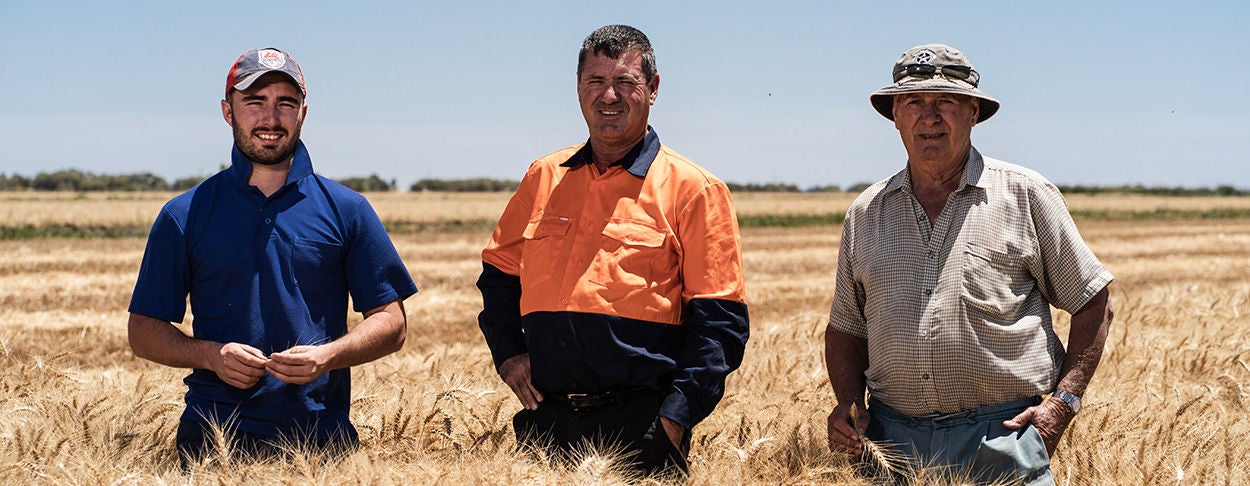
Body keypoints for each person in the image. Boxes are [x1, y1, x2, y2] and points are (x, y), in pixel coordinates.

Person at [824, 44, 1115, 485]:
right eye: (914, 103)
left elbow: (1094, 302)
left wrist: (1063, 404)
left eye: (946, 101)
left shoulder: (1025, 194)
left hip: (1001, 440)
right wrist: (849, 403)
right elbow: (846, 328)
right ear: (895, 116)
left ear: (973, 112)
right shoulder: (867, 212)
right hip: (891, 446)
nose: (930, 116)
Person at [476, 25, 749, 477]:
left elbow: (720, 323)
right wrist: (508, 354)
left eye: (625, 82)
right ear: (578, 89)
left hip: (641, 427)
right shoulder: (543, 176)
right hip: (546, 422)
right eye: (596, 82)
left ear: (654, 88)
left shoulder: (695, 189)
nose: (609, 97)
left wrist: (674, 420)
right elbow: (499, 277)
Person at [127, 47, 418, 465]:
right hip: (211, 440)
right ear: (228, 112)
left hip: (322, 439)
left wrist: (327, 356)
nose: (271, 118)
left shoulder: (348, 208)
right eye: (255, 102)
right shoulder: (185, 213)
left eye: (286, 103)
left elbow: (392, 324)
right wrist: (210, 355)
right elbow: (143, 331)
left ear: (303, 112)